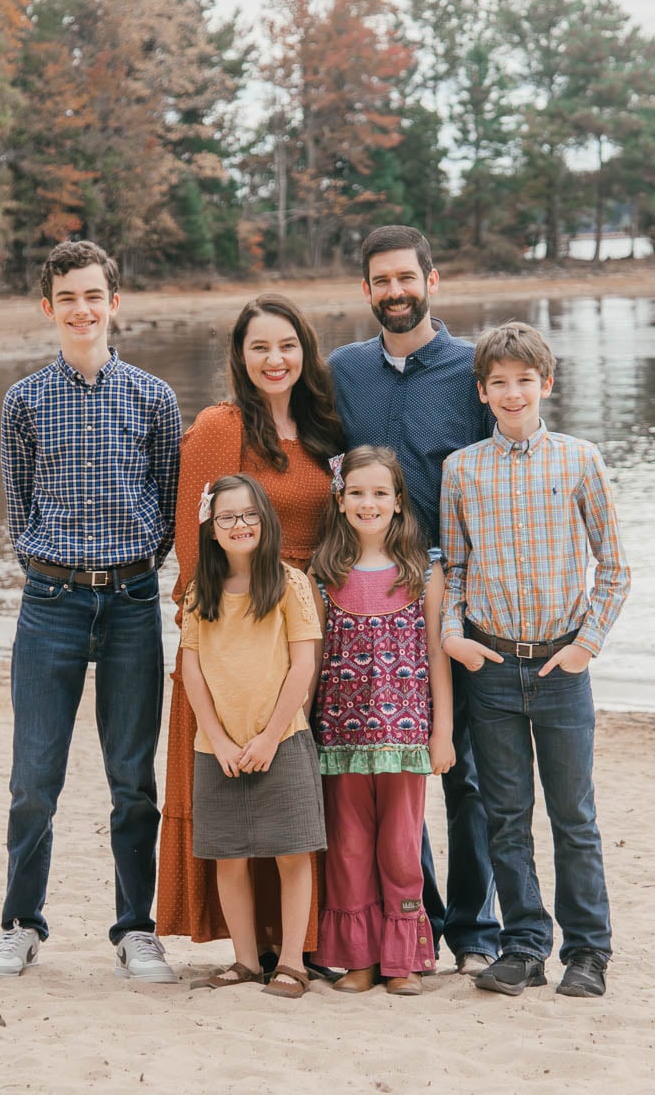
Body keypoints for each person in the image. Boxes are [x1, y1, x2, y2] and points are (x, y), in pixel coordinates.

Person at [0, 240, 182, 984]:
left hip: (130, 602)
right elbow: (17, 509)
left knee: (133, 780)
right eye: (68, 299)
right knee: (34, 779)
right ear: (49, 307)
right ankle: (21, 925)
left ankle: (135, 930)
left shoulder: (154, 398)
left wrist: (131, 573)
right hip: (51, 604)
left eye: (94, 296)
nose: (83, 310)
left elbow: (166, 507)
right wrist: (50, 568)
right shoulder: (23, 400)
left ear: (114, 303)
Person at [327, 224, 499, 974]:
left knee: (461, 773)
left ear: (434, 281)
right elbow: (316, 465)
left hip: (454, 593)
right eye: (381, 281)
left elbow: (502, 477)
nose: (395, 291)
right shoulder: (344, 371)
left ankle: (475, 932)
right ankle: (413, 926)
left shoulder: (472, 371)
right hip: (371, 596)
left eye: (407, 277)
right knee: (387, 777)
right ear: (367, 291)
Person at [440, 321, 630, 998]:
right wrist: (454, 635)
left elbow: (615, 566)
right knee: (505, 812)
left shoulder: (579, 460)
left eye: (525, 380)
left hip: (561, 669)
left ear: (546, 384)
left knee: (574, 816)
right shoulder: (460, 469)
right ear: (484, 392)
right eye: (500, 383)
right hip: (490, 667)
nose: (513, 392)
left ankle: (587, 950)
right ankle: (523, 943)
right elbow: (453, 571)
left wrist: (586, 646)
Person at [156, 294, 344, 952]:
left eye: (287, 345)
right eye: (259, 346)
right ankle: (246, 946)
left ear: (305, 352)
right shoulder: (218, 428)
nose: (275, 358)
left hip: (304, 622)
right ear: (239, 356)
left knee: (294, 785)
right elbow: (192, 540)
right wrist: (207, 631)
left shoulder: (322, 429)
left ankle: (302, 944)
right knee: (235, 779)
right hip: (235, 623)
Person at [309, 447, 455, 996]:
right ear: (340, 499)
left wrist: (442, 732)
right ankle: (359, 958)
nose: (367, 503)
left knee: (399, 845)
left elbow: (439, 657)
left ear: (398, 503)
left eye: (379, 493)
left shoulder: (424, 571)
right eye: (356, 493)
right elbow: (314, 661)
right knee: (347, 846)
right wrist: (302, 727)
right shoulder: (323, 573)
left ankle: (404, 960)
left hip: (406, 737)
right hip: (340, 738)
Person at [181, 474, 325, 998]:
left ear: (265, 519)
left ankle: (291, 963)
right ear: (212, 529)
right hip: (216, 748)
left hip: (282, 741)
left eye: (248, 515)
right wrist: (217, 739)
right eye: (227, 517)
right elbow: (191, 670)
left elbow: (302, 665)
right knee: (229, 856)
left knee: (292, 854)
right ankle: (244, 960)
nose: (239, 525)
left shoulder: (290, 584)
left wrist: (268, 738)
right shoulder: (202, 591)